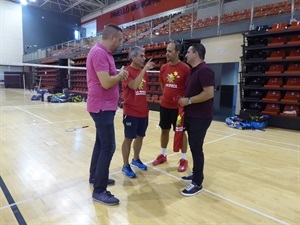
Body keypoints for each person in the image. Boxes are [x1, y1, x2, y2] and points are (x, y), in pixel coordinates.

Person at [86, 24, 128, 206]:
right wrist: (120, 75)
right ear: (111, 38)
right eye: (119, 40)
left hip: (104, 106)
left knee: (101, 143)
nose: (120, 43)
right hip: (102, 107)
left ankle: (95, 176)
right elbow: (105, 82)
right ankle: (100, 190)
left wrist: (117, 75)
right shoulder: (100, 53)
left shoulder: (105, 53)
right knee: (108, 147)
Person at [178, 43, 215, 197]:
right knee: (194, 148)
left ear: (196, 54)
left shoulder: (205, 70)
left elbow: (209, 93)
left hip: (201, 117)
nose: (185, 54)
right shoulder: (194, 71)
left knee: (197, 149)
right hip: (193, 116)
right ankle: (195, 174)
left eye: (188, 52)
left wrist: (189, 101)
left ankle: (197, 183)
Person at [152, 41, 190, 172]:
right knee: (164, 130)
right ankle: (163, 154)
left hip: (179, 109)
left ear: (178, 52)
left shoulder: (185, 68)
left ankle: (184, 158)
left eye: (170, 51)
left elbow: (188, 87)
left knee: (181, 132)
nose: (167, 53)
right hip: (165, 106)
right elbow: (163, 85)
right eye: (167, 51)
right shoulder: (163, 68)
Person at [121, 46, 155, 178]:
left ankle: (135, 159)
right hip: (131, 111)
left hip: (143, 111)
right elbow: (134, 86)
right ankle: (125, 165)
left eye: (144, 56)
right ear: (133, 57)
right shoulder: (126, 72)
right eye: (141, 56)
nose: (144, 58)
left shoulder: (143, 72)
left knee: (140, 137)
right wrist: (145, 69)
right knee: (129, 138)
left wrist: (143, 70)